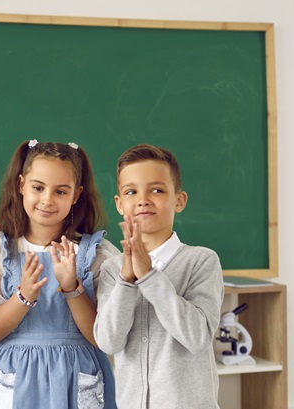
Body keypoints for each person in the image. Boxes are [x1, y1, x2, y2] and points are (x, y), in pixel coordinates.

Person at [0, 140, 118, 409]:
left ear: (76, 194)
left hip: (76, 378)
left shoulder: (96, 253)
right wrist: (22, 296)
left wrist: (72, 287)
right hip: (17, 379)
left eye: (60, 191)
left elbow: (101, 337)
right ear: (21, 185)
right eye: (38, 187)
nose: (47, 199)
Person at [94, 144, 224, 409]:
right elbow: (109, 341)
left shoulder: (202, 261)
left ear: (179, 200)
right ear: (119, 204)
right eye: (131, 192)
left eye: (157, 190)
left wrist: (149, 276)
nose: (143, 199)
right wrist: (127, 281)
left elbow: (197, 337)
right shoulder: (112, 269)